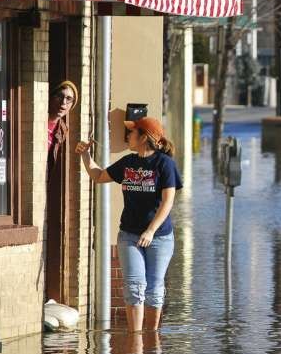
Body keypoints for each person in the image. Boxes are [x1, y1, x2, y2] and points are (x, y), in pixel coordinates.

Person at [75, 116, 183, 332]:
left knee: (153, 289)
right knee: (134, 287)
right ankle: (136, 341)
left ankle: (151, 339)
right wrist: (85, 155)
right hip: (129, 235)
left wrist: (151, 231)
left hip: (160, 237)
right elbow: (98, 176)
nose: (128, 136)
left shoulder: (165, 164)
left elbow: (168, 201)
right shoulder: (128, 162)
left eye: (132, 133)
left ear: (144, 137)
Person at [46, 81, 78, 302]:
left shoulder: (62, 129)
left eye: (69, 100)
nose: (63, 103)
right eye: (60, 96)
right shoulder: (39, 121)